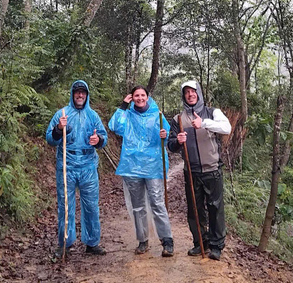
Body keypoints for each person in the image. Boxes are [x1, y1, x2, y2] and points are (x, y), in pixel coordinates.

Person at [167, 80, 231, 260]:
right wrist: (177, 141)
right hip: (191, 171)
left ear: (199, 93)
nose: (190, 95)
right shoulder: (178, 119)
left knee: (215, 208)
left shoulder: (212, 112)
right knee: (195, 210)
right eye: (187, 92)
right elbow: (171, 146)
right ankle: (200, 243)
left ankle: (216, 245)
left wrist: (204, 123)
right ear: (183, 96)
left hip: (212, 169)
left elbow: (226, 128)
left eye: (193, 91)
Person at [109, 86, 174, 257]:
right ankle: (142, 240)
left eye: (142, 95)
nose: (139, 98)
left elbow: (168, 136)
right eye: (136, 95)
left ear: (147, 97)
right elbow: (115, 126)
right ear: (132, 97)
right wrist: (123, 105)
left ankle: (167, 241)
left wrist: (164, 135)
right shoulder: (127, 115)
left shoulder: (157, 115)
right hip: (132, 166)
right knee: (138, 206)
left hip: (153, 165)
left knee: (157, 203)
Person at [45, 80, 108, 256]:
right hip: (67, 165)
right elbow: (50, 139)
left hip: (88, 165)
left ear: (87, 95)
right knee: (66, 205)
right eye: (77, 92)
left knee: (91, 206)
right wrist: (59, 128)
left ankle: (92, 242)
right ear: (72, 94)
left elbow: (104, 137)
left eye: (83, 92)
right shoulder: (62, 114)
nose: (80, 95)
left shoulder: (93, 116)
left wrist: (99, 141)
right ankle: (65, 242)